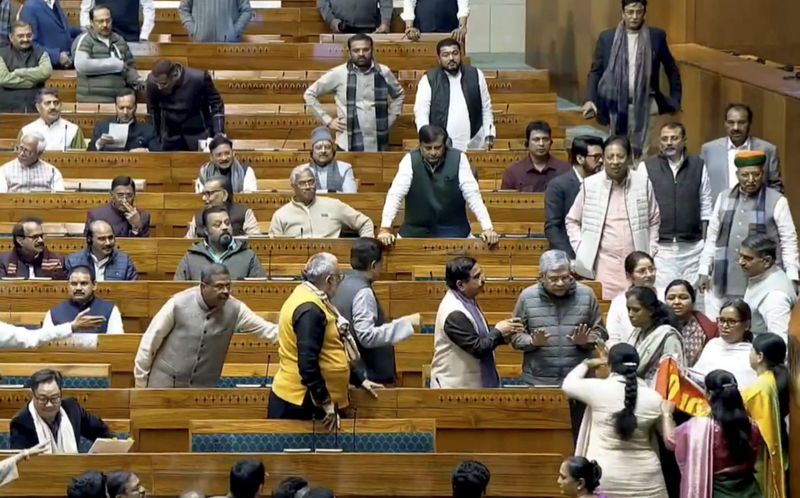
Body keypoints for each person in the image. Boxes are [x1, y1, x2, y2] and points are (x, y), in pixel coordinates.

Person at [269, 253, 381, 430]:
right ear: (330, 280)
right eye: (339, 277)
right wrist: (326, 402)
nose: (340, 282)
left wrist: (359, 380)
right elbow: (308, 365)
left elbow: (329, 348)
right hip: (301, 403)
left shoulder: (311, 296)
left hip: (309, 400)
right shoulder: (310, 309)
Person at [510, 249, 606, 441]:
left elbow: (601, 332)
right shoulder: (527, 297)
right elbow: (514, 336)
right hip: (540, 382)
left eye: (565, 277)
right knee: (542, 440)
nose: (561, 283)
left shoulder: (587, 295)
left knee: (580, 438)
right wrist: (532, 342)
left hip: (579, 381)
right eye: (554, 279)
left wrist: (587, 341)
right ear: (542, 277)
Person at [134, 264, 278, 388]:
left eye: (228, 286)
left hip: (203, 392)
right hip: (163, 385)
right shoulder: (177, 304)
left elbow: (267, 330)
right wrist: (141, 386)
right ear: (203, 286)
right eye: (219, 286)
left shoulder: (236, 309)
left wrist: (290, 332)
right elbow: (149, 344)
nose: (226, 291)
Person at [698, 150, 799, 317]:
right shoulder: (724, 198)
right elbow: (712, 237)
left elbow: (789, 241)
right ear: (737, 174)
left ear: (762, 174)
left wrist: (792, 275)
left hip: (765, 278)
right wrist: (704, 269)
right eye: (745, 175)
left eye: (756, 174)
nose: (751, 180)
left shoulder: (777, 200)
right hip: (727, 276)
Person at [562, 343, 667, 498]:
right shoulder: (655, 398)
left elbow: (567, 385)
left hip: (605, 477)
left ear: (610, 366)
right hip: (648, 482)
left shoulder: (597, 389)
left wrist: (587, 363)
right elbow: (666, 437)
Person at [566, 136, 660, 300]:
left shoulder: (643, 182)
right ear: (603, 158)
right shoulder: (590, 184)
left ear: (628, 157)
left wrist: (650, 250)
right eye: (610, 157)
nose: (615, 162)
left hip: (636, 265)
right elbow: (572, 220)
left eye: (620, 156)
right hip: (604, 265)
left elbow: (654, 219)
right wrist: (581, 249)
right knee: (606, 308)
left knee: (638, 305)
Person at [582, 0, 681, 155]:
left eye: (638, 12)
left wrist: (675, 99)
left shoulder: (656, 37)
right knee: (618, 151)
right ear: (623, 13)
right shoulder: (607, 38)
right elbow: (596, 71)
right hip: (616, 106)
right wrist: (590, 99)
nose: (634, 16)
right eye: (630, 12)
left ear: (644, 13)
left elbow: (672, 69)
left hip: (646, 105)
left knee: (641, 155)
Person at [378, 125, 497, 242]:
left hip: (455, 231)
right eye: (428, 148)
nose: (433, 152)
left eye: (438, 147)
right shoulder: (409, 160)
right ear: (420, 145)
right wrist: (385, 228)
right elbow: (395, 195)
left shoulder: (459, 158)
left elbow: (473, 195)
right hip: (415, 232)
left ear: (445, 145)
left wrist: (487, 228)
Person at [662, 369, 764, 497]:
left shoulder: (700, 428)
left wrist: (666, 414)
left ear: (709, 394)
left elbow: (670, 441)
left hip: (718, 493)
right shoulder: (752, 427)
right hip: (751, 492)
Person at [331, 237, 418, 385]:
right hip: (367, 376)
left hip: (352, 371)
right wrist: (405, 324)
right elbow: (366, 336)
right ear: (373, 265)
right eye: (381, 263)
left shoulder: (342, 283)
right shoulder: (363, 292)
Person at [429, 256, 524, 388]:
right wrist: (498, 332)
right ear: (461, 285)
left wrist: (503, 335)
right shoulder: (454, 312)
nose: (483, 279)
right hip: (455, 389)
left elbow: (480, 337)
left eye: (481, 273)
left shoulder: (467, 300)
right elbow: (477, 348)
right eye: (477, 276)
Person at [304, 34, 404, 152]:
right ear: (349, 53)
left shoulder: (384, 72)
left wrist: (391, 118)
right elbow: (309, 94)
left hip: (378, 142)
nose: (361, 54)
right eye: (356, 50)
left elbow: (399, 95)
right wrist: (328, 121)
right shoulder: (339, 73)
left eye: (365, 49)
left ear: (372, 50)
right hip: (346, 144)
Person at [643, 122, 712, 289]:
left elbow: (706, 204)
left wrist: (705, 240)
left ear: (684, 140)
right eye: (664, 139)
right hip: (661, 246)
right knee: (662, 294)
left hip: (693, 246)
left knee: (691, 295)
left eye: (674, 138)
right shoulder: (647, 167)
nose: (669, 143)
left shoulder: (698, 165)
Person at [413, 38, 494, 152]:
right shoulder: (429, 80)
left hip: (475, 142)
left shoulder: (476, 75)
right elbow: (421, 114)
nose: (451, 58)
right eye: (445, 55)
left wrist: (489, 135)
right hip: (441, 146)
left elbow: (486, 108)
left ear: (461, 55)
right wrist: (429, 140)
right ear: (439, 59)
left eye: (455, 53)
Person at [10, 369, 111, 452]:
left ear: (60, 394)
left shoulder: (72, 409)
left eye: (54, 398)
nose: (49, 405)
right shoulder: (21, 422)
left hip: (74, 469)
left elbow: (102, 432)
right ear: (33, 396)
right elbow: (21, 463)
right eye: (43, 399)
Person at [700, 103, 782, 199]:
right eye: (731, 122)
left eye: (741, 123)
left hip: (756, 207)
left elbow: (775, 186)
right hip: (719, 207)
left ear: (749, 123)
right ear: (725, 124)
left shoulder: (768, 150)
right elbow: (702, 185)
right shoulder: (709, 149)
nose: (736, 128)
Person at [268, 165, 374, 239]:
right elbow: (273, 245)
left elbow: (365, 223)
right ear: (293, 187)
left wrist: (365, 246)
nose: (308, 187)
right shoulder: (281, 215)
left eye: (311, 182)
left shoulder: (334, 205)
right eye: (302, 183)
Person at [544, 135, 604, 258]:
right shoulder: (558, 186)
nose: (601, 161)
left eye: (602, 156)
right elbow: (553, 228)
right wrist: (571, 257)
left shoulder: (604, 184)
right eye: (596, 157)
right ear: (580, 158)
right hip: (570, 254)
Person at [146, 59, 225, 151]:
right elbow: (153, 110)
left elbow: (216, 103)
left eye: (163, 84)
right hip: (169, 134)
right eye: (157, 84)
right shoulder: (153, 82)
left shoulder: (198, 78)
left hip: (199, 132)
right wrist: (154, 138)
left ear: (175, 75)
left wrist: (218, 133)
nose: (159, 87)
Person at [744, 333, 787, 498]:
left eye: (752, 351)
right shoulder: (779, 377)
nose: (749, 354)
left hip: (761, 455)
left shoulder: (759, 389)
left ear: (760, 357)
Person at [175, 206, 267, 281]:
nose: (224, 227)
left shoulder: (248, 256)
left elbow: (260, 292)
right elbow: (178, 292)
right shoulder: (191, 258)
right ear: (206, 231)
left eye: (227, 223)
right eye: (217, 225)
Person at [71, 5, 139, 103]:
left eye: (108, 20)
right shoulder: (84, 40)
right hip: (91, 99)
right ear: (92, 23)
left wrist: (136, 81)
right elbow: (81, 65)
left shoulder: (119, 40)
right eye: (100, 21)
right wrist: (115, 65)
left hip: (118, 101)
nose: (105, 25)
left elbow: (129, 66)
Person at [689, 299, 758, 390]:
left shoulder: (753, 354)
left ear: (747, 325)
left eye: (732, 322)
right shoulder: (712, 345)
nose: (725, 326)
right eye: (721, 320)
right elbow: (696, 376)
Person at [740, 234, 797, 343]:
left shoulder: (775, 297)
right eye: (741, 256)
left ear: (766, 261)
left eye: (748, 258)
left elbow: (780, 343)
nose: (741, 262)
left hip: (761, 351)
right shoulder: (765, 274)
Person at [626, 285, 683, 385]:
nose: (630, 314)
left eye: (636, 310)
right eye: (628, 309)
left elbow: (672, 374)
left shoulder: (668, 336)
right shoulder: (636, 333)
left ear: (651, 311)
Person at [42, 265, 124, 334]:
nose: (78, 288)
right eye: (74, 284)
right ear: (68, 286)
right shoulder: (54, 313)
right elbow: (44, 342)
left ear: (94, 285)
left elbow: (116, 343)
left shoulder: (110, 310)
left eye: (84, 283)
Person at [606, 252, 657, 350]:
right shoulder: (619, 302)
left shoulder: (664, 296)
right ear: (629, 275)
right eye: (642, 271)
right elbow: (612, 339)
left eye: (652, 269)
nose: (649, 274)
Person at [501, 121, 570, 192]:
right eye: (536, 139)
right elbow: (504, 198)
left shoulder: (565, 170)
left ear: (551, 143)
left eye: (545, 139)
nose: (541, 144)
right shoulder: (513, 172)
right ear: (527, 143)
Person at [0, 21, 52, 112]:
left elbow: (46, 72)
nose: (25, 39)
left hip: (36, 106)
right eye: (20, 36)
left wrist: (19, 72)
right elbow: (3, 78)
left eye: (29, 35)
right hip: (6, 106)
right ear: (11, 37)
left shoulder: (41, 52)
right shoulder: (1, 54)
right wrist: (31, 83)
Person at [186, 176, 260, 239]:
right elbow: (187, 244)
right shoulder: (198, 216)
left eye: (209, 193)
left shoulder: (243, 212)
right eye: (204, 194)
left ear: (224, 195)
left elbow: (254, 241)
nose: (204, 198)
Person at [665, 279, 717, 367]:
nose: (677, 302)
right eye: (671, 298)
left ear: (693, 300)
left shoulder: (706, 329)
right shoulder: (659, 326)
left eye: (683, 297)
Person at [87, 88, 160, 151]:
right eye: (121, 108)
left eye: (129, 108)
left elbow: (158, 154)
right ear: (116, 107)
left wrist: (146, 151)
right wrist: (98, 144)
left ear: (135, 107)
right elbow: (88, 153)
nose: (125, 112)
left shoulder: (148, 130)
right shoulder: (102, 127)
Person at [66, 220, 137, 281]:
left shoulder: (125, 262)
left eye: (110, 238)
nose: (108, 243)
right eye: (102, 239)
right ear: (89, 239)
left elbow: (133, 290)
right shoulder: (73, 262)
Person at [19, 0, 80, 69]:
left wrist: (84, 30)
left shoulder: (54, 4)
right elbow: (29, 44)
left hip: (67, 63)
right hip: (48, 68)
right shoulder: (30, 8)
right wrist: (56, 56)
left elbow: (63, 29)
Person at [19, 88, 84, 150]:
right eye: (48, 103)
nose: (53, 107)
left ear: (61, 105)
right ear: (38, 107)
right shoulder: (26, 131)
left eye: (56, 103)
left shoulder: (73, 130)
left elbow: (81, 156)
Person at [85, 175, 151, 237]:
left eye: (129, 195)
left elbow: (144, 244)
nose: (124, 200)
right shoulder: (96, 216)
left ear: (134, 196)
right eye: (120, 195)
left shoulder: (143, 217)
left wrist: (136, 228)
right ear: (112, 195)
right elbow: (87, 242)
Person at [0, 217, 65, 279]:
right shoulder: (4, 262)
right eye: (35, 237)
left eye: (41, 236)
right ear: (20, 241)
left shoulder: (56, 261)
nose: (40, 240)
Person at [297, 127, 358, 193]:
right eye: (318, 147)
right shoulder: (302, 171)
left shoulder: (345, 168)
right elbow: (301, 195)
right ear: (312, 152)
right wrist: (331, 192)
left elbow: (350, 196)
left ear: (333, 151)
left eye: (327, 147)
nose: (323, 151)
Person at [0, 132, 64, 192]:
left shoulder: (52, 172)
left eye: (27, 151)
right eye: (20, 148)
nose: (21, 153)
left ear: (39, 153)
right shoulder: (4, 170)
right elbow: (2, 196)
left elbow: (59, 196)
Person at [79, 0, 155, 43]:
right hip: (102, 38)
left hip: (130, 37)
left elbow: (149, 8)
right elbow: (86, 9)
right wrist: (88, 33)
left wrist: (144, 35)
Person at [178, 0, 253, 43]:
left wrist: (234, 32)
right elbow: (183, 9)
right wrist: (194, 31)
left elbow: (246, 11)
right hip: (200, 45)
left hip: (228, 47)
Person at [402, 0, 469, 43]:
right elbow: (409, 2)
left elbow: (463, 3)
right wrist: (409, 27)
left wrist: (462, 26)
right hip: (421, 31)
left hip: (451, 31)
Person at [317, 0, 392, 34]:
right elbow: (322, 4)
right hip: (340, 29)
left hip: (369, 29)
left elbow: (386, 1)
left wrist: (385, 22)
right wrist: (332, 21)